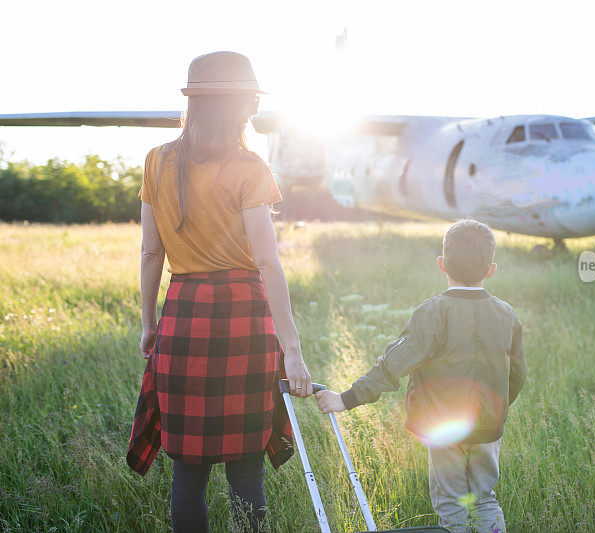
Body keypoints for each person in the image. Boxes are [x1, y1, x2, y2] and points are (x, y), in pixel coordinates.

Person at [126, 51, 313, 533]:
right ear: (240, 105)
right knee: (246, 467)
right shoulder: (251, 167)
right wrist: (292, 350)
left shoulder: (156, 161)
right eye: (250, 98)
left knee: (188, 471)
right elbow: (268, 261)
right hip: (245, 320)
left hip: (183, 316)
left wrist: (151, 326)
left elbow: (151, 254)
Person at [315, 219, 527, 533]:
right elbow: (517, 375)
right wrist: (496, 409)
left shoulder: (432, 312)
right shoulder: (507, 314)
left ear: (442, 264)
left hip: (442, 427)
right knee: (484, 498)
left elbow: (392, 365)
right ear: (491, 269)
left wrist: (345, 399)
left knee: (451, 502)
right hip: (487, 425)